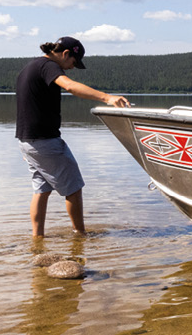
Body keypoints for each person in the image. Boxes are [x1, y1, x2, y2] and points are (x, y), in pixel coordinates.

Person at [16, 37, 130, 237]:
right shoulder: (48, 66)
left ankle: (37, 237)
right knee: (74, 188)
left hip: (27, 141)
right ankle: (80, 235)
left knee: (41, 190)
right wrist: (107, 97)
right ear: (66, 53)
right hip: (45, 142)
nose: (71, 68)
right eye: (73, 62)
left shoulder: (30, 66)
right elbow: (69, 86)